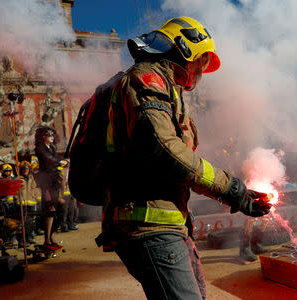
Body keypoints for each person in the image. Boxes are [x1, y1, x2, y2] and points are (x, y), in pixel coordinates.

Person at [96, 16, 271, 300]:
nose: (201, 71)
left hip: (169, 224)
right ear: (183, 49)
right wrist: (230, 188)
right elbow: (165, 151)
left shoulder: (167, 89)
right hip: (149, 226)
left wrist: (236, 194)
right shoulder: (146, 80)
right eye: (200, 61)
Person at [35, 126, 65, 251]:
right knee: (49, 209)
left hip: (53, 180)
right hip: (46, 181)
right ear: (43, 137)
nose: (52, 137)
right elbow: (49, 160)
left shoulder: (52, 148)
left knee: (55, 210)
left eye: (52, 134)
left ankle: (51, 238)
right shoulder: (40, 149)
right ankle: (47, 240)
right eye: (49, 135)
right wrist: (60, 162)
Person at [14, 161, 40, 245]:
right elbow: (14, 192)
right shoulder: (17, 179)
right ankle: (22, 241)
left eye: (27, 169)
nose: (25, 170)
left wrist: (38, 199)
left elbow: (36, 189)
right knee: (22, 223)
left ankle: (29, 237)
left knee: (31, 222)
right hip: (22, 204)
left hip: (31, 203)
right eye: (24, 169)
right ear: (21, 170)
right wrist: (16, 200)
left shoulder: (32, 179)